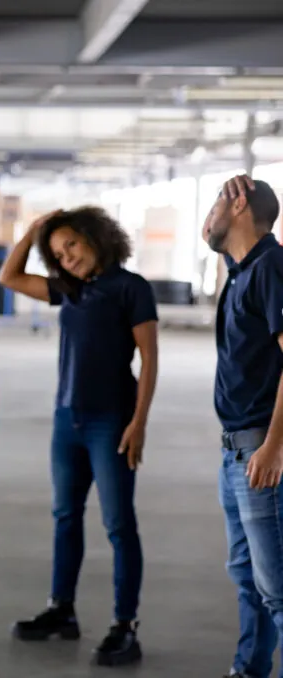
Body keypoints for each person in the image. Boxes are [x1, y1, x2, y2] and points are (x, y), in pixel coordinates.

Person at [0, 207, 158, 667]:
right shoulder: (67, 291)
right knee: (66, 516)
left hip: (112, 423)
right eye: (57, 254)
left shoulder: (132, 288)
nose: (66, 258)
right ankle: (61, 610)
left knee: (118, 525)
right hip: (66, 421)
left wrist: (139, 421)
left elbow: (149, 358)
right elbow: (10, 276)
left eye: (71, 245)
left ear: (94, 236)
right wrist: (34, 232)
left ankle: (125, 626)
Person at [202, 174, 283, 678]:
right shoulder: (242, 271)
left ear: (236, 205)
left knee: (276, 586)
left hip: (259, 448)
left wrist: (273, 447)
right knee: (248, 578)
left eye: (213, 205)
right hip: (236, 449)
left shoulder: (273, 267)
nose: (206, 220)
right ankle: (248, 669)